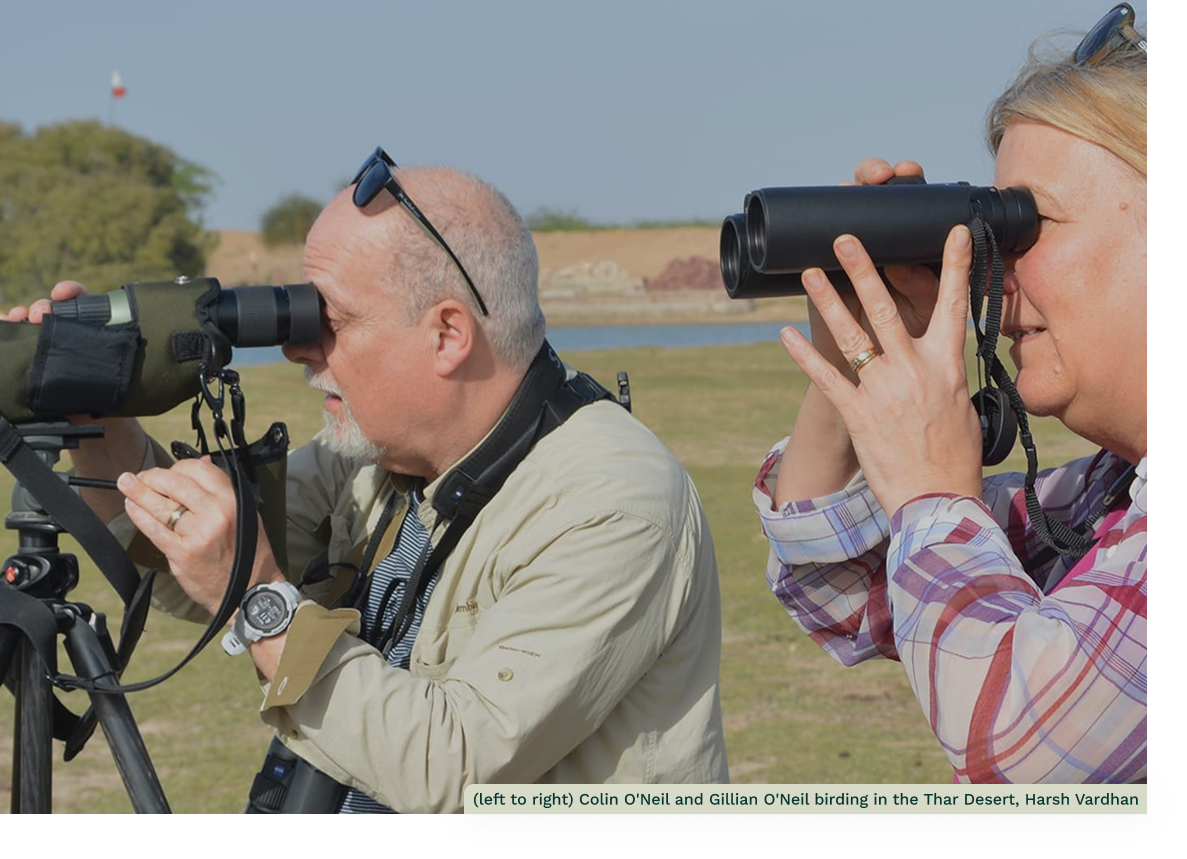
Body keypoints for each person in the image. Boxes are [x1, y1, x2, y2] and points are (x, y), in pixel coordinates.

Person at [8, 154, 728, 811]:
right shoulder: (374, 461)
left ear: (447, 334)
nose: (299, 349)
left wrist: (262, 600)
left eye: (333, 320)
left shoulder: (609, 502)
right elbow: (188, 568)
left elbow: (454, 766)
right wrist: (98, 410)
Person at [751, 5, 1145, 784]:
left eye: (1027, 226)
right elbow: (848, 588)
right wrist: (862, 350)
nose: (996, 273)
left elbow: (1020, 760)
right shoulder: (1110, 491)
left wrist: (931, 492)